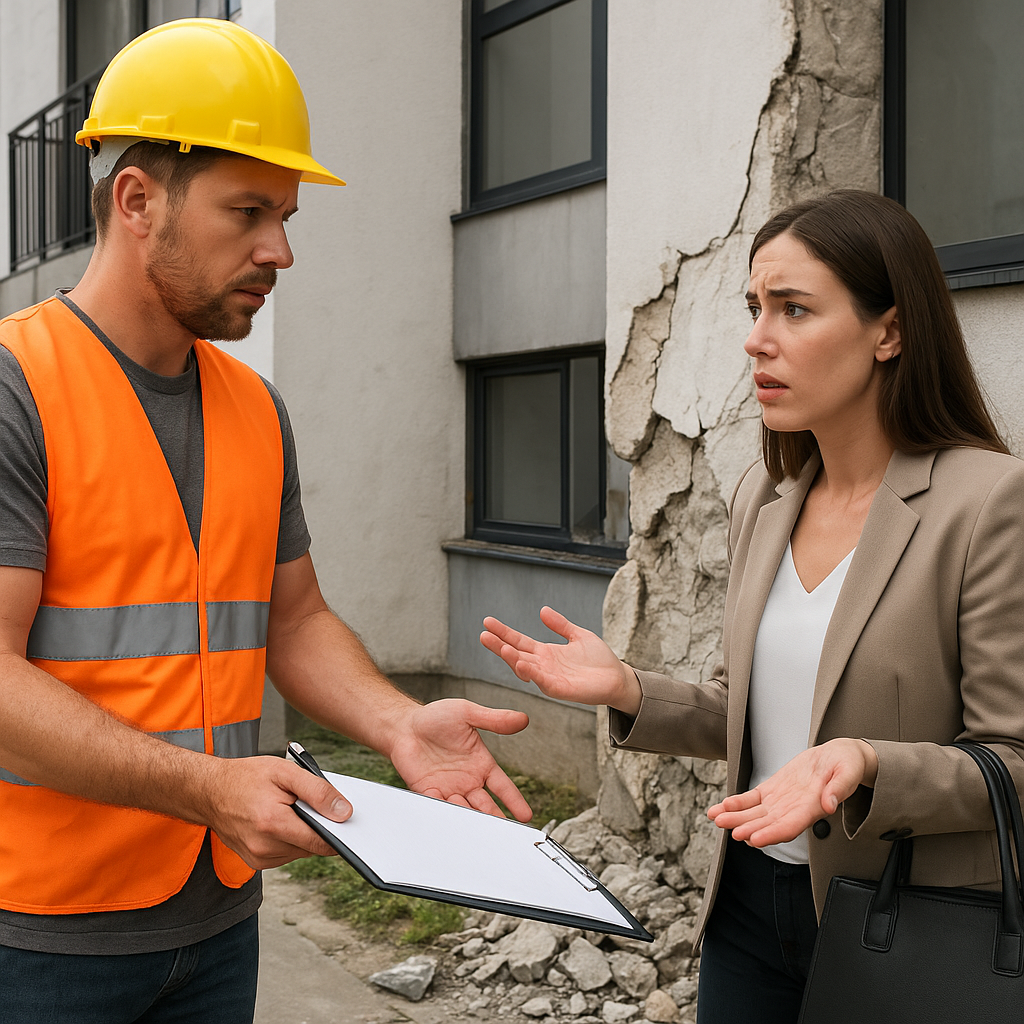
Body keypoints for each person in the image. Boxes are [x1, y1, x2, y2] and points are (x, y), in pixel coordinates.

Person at [0, 19, 531, 1024]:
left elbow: (293, 618)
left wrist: (394, 722)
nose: (279, 249)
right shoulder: (15, 387)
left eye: (285, 216)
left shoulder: (254, 407)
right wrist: (207, 786)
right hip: (39, 937)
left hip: (216, 920)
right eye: (247, 212)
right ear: (136, 199)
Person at [481, 189, 1024, 1024]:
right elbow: (751, 715)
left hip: (905, 920)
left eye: (794, 310)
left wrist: (868, 765)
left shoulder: (987, 502)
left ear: (890, 331)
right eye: (754, 306)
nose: (756, 339)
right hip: (747, 907)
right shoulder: (765, 497)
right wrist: (629, 689)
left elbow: (1014, 762)